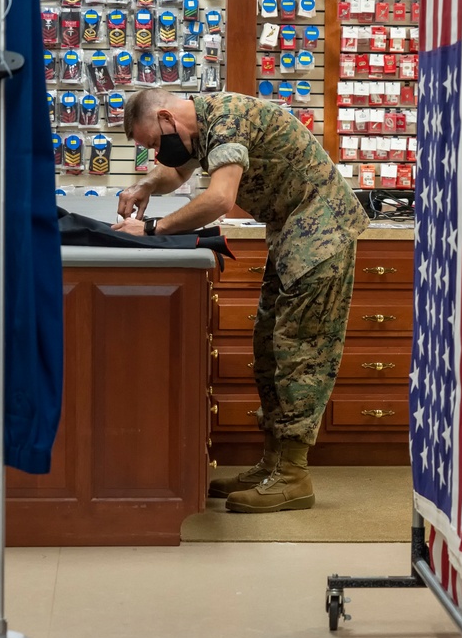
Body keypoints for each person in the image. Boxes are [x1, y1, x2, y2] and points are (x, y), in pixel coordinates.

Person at [113, 89, 369, 513]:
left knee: (300, 351)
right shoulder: (201, 124)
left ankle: (293, 475)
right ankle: (272, 465)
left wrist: (154, 228)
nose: (158, 153)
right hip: (293, 231)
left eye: (154, 143)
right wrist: (144, 184)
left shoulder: (227, 119)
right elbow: (177, 173)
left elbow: (219, 199)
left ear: (165, 117)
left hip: (321, 230)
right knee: (268, 348)